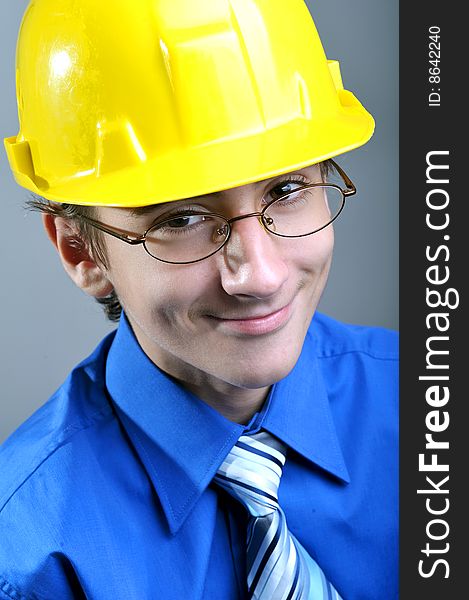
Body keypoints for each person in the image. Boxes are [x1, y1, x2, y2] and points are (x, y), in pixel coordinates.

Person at [0, 0, 398, 598]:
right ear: (82, 252)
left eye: (287, 188)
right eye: (183, 217)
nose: (260, 275)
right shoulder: (27, 554)